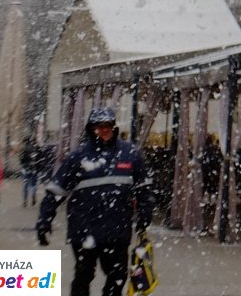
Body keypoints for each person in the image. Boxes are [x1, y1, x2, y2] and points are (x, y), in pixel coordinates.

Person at [38, 107, 154, 296]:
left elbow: (143, 188)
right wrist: (44, 220)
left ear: (114, 127)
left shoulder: (130, 154)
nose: (104, 130)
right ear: (91, 129)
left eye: (108, 126)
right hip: (84, 230)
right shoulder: (78, 157)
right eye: (99, 126)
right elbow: (56, 191)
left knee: (118, 276)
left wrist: (145, 212)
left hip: (117, 231)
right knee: (83, 276)